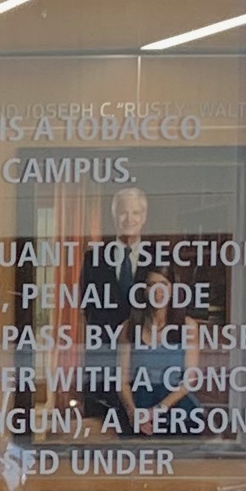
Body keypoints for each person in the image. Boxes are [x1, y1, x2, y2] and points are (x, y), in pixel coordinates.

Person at [72, 183, 156, 434]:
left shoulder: (159, 257)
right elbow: (87, 309)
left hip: (144, 365)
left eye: (135, 213)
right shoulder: (94, 258)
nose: (129, 219)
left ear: (144, 217)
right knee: (101, 434)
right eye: (123, 212)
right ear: (114, 216)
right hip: (103, 361)